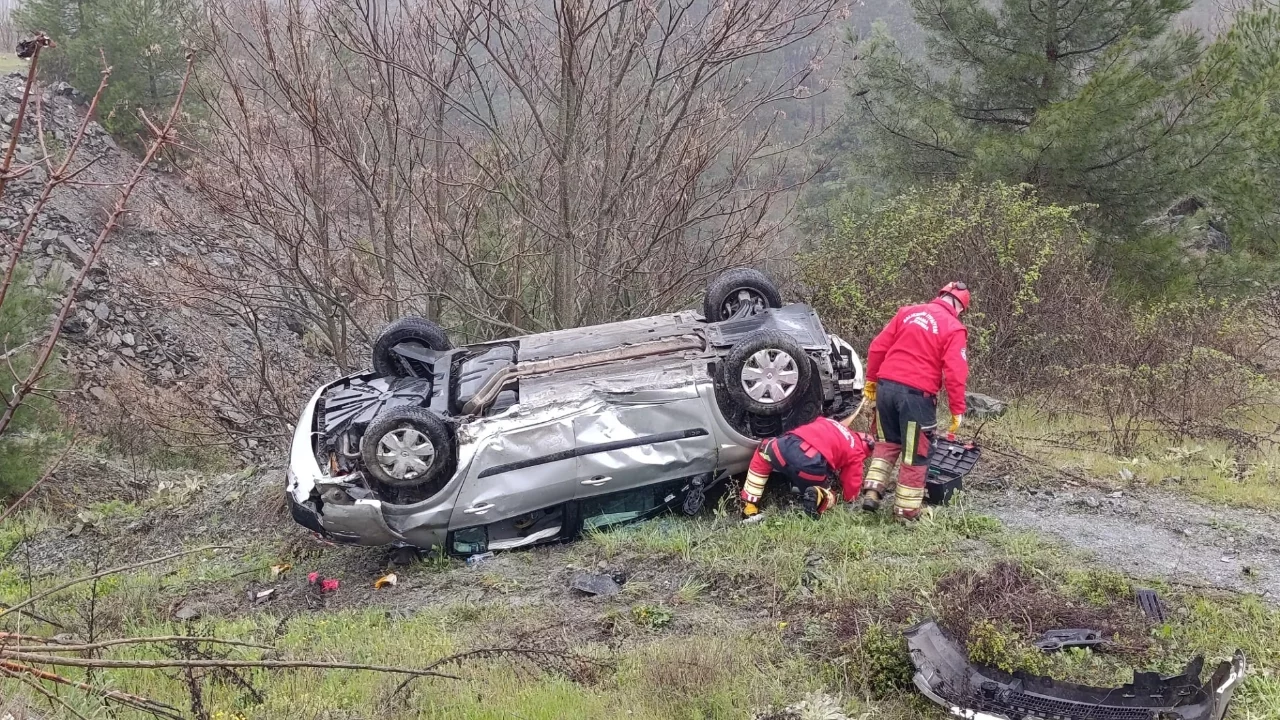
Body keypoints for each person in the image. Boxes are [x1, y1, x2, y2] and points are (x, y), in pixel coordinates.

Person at [859, 282, 970, 520]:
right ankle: (906, 511)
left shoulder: (907, 312)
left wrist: (871, 381)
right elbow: (955, 372)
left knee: (887, 443)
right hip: (916, 396)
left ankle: (872, 492)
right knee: (916, 452)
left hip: (885, 388)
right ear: (961, 307)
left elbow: (877, 347)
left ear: (941, 295)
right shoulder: (954, 328)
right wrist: (957, 409)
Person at [740, 414, 874, 519]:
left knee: (763, 451)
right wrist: (851, 500)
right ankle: (818, 496)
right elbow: (851, 482)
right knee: (830, 495)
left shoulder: (830, 422)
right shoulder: (857, 452)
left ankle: (749, 505)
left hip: (787, 448)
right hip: (811, 467)